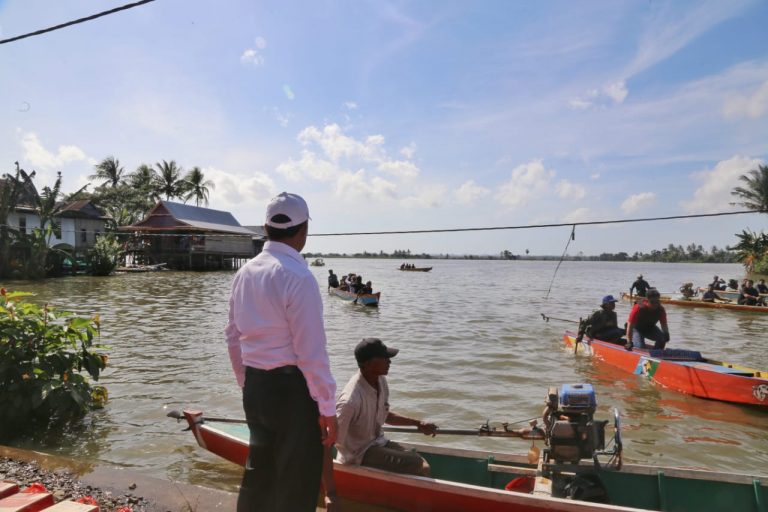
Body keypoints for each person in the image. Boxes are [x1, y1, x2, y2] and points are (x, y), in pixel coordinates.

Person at [225, 192, 338, 512]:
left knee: (258, 471)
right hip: (292, 394)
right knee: (297, 481)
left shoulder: (244, 273)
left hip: (256, 388)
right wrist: (327, 406)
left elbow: (232, 336)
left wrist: (246, 382)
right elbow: (311, 353)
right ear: (303, 232)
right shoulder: (299, 277)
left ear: (265, 228)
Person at [336, 338, 438, 476]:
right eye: (385, 358)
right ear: (367, 364)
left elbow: (385, 415)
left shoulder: (380, 379)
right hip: (359, 453)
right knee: (420, 467)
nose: (389, 362)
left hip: (378, 442)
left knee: (420, 462)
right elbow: (333, 439)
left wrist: (418, 424)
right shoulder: (350, 401)